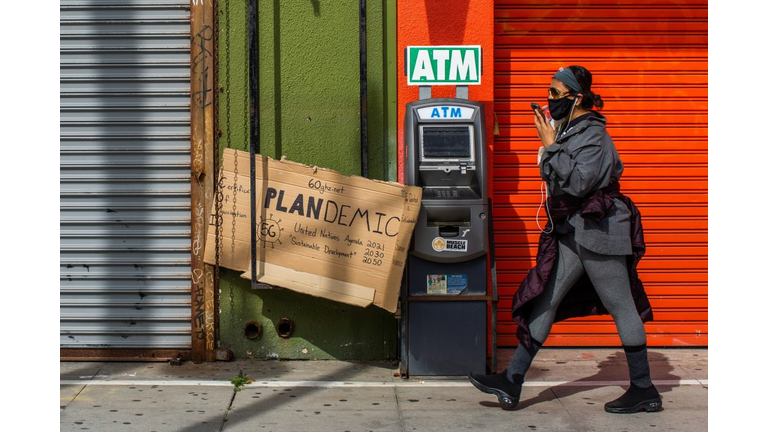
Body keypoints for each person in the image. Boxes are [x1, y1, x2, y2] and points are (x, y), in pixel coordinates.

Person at [468, 65, 662, 414]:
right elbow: (558, 179)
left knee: (621, 305)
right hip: (575, 230)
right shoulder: (570, 128)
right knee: (546, 299)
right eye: (550, 92)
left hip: (600, 230)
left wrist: (551, 147)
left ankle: (644, 388)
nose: (549, 99)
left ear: (577, 97)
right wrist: (553, 145)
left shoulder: (594, 135)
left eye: (556, 93)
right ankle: (512, 382)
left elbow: (580, 183)